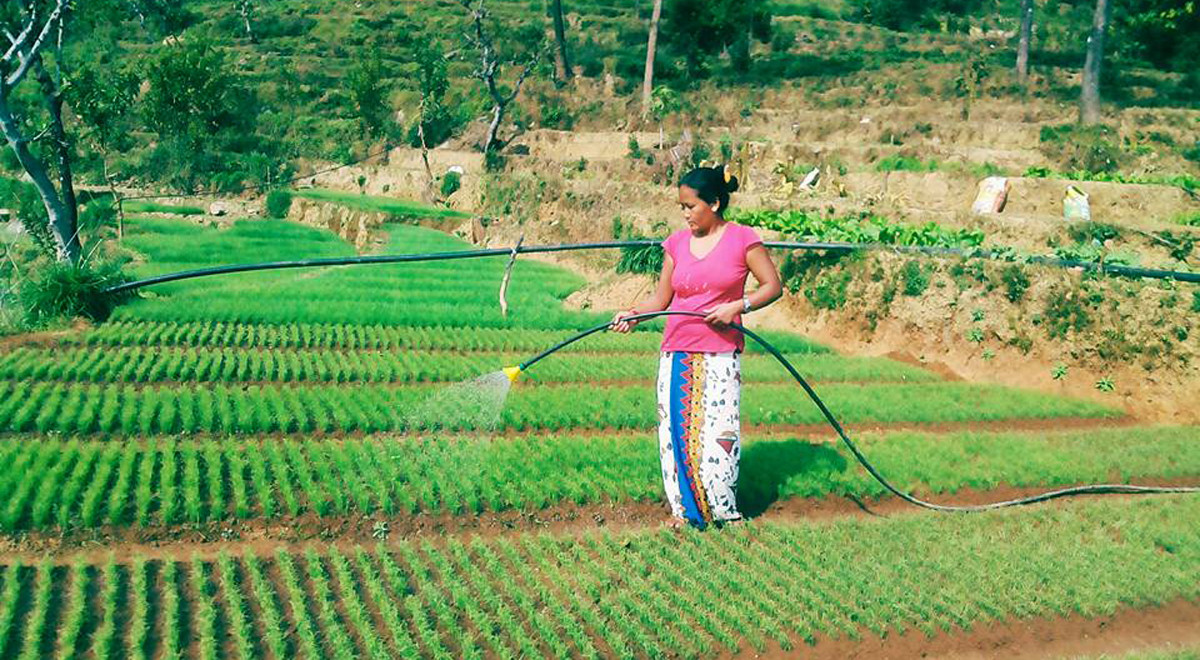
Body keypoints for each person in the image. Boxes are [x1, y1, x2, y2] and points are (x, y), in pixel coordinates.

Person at [611, 164, 783, 529]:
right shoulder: (675, 244)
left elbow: (772, 285)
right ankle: (685, 513)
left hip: (720, 354)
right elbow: (660, 300)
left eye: (691, 206)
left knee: (719, 434)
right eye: (682, 207)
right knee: (675, 434)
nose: (686, 214)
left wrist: (739, 305)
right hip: (677, 353)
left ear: (715, 203)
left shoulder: (742, 239)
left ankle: (722, 511)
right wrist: (631, 314)